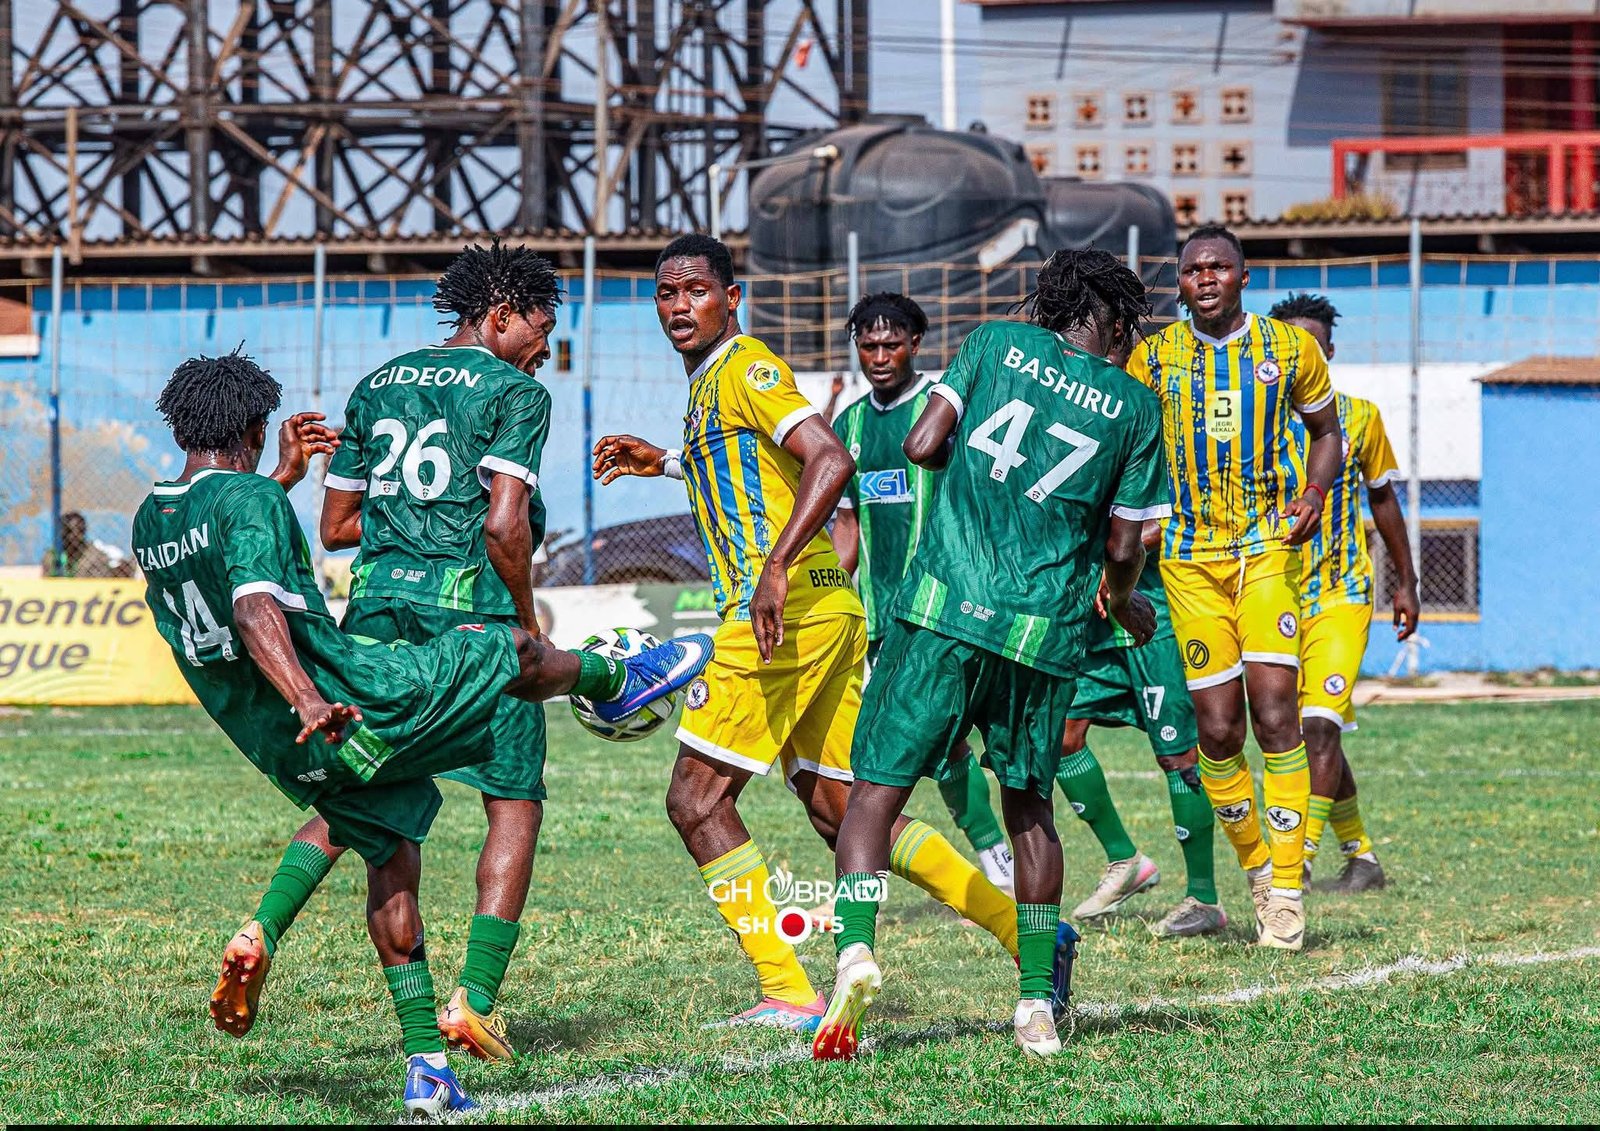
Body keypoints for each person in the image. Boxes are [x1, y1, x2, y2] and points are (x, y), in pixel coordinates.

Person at [133, 350, 710, 1117]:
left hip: (278, 745)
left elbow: (231, 540)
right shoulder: (253, 498)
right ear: (254, 427)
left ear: (180, 427)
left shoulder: (153, 518)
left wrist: (286, 478)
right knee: (510, 650)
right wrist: (309, 696)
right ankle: (621, 679)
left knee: (392, 849)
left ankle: (427, 1070)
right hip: (352, 696)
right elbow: (252, 608)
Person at [593, 234, 1023, 1034]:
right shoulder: (709, 383)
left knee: (696, 798)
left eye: (695, 290)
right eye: (666, 293)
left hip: (779, 613)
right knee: (843, 812)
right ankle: (1028, 934)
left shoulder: (747, 365)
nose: (679, 306)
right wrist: (666, 462)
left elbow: (828, 459)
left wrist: (775, 566)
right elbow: (753, 470)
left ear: (732, 297)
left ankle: (787, 987)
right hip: (822, 610)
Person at [812, 247, 1166, 1061]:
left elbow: (922, 443)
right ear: (1114, 320)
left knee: (875, 793)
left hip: (941, 604)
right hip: (1040, 630)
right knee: (1030, 809)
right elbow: (1124, 543)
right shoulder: (1136, 406)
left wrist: (974, 470)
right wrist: (1122, 599)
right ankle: (1036, 1002)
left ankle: (855, 948)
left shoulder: (993, 342)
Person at [254, 240, 569, 1065]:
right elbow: (504, 525)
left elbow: (336, 528)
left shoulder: (376, 383)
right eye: (542, 328)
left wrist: (413, 524)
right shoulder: (515, 392)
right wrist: (526, 627)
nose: (546, 348)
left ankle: (262, 925)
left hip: (375, 617)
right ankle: (475, 1001)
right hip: (472, 620)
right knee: (514, 799)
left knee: (364, 789)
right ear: (502, 315)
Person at [1124, 225, 1341, 951]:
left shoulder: (1289, 349)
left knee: (1276, 713)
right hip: (1188, 559)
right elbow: (1127, 448)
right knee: (1217, 730)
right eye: (1193, 270)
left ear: (1244, 276)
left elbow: (1327, 432)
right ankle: (1257, 870)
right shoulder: (1153, 358)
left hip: (1266, 550)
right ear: (1180, 285)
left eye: (1219, 266)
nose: (1207, 278)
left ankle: (1287, 892)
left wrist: (1313, 493)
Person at [830, 291, 1014, 893]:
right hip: (881, 617)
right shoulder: (850, 425)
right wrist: (834, 594)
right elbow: (848, 527)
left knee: (952, 738)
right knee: (938, 745)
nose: (880, 356)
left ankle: (1000, 854)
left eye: (892, 344)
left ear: (915, 344)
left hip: (946, 605)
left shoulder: (943, 411)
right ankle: (993, 855)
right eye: (868, 345)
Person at [1270, 292, 1419, 892]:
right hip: (1273, 594)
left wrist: (1407, 583)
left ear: (1328, 352)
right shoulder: (1252, 425)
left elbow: (1383, 499)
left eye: (1314, 343)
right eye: (1293, 344)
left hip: (1341, 594)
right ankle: (1363, 857)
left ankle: (1298, 863)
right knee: (1301, 730)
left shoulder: (1359, 418)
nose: (1304, 353)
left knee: (1319, 727)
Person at [1055, 519, 1224, 938]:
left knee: (1178, 754)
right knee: (1060, 735)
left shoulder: (1154, 469)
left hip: (1153, 611)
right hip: (1098, 618)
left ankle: (1204, 898)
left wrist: (1110, 560)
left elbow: (1169, 521)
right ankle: (1125, 860)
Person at [43, 511, 134, 578]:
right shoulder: (52, 555)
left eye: (80, 531)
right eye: (69, 531)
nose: (75, 536)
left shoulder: (93, 555)